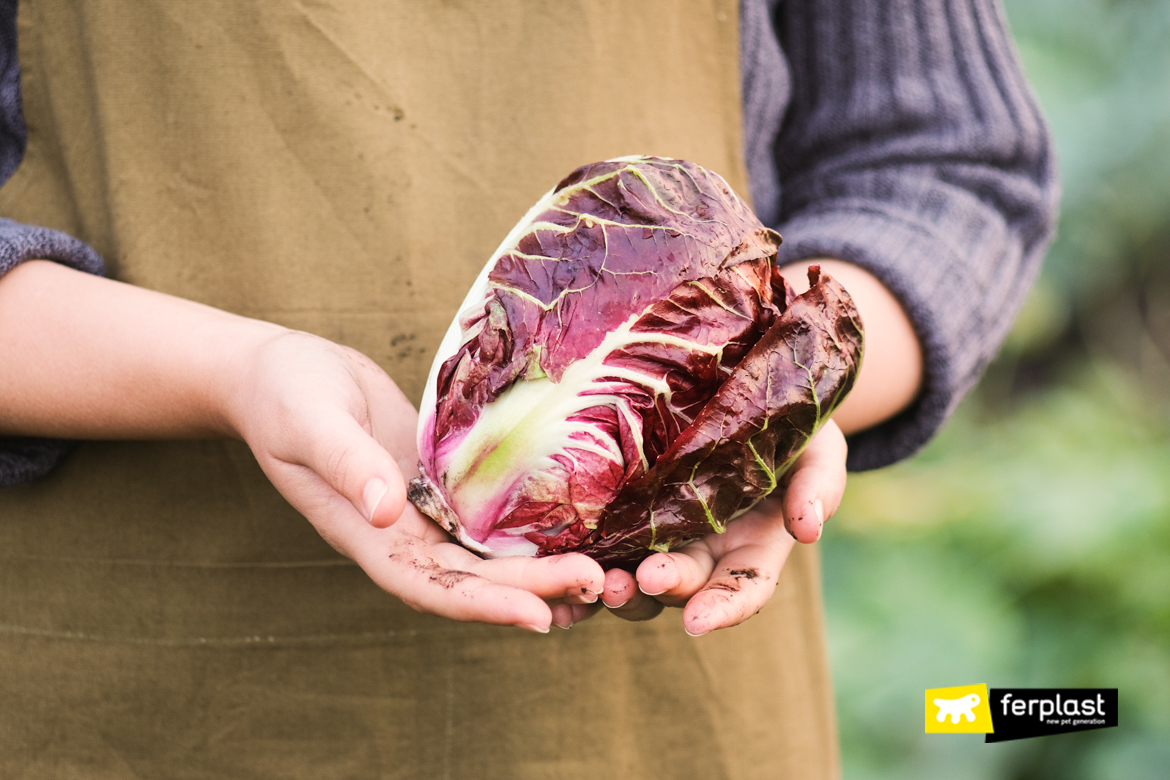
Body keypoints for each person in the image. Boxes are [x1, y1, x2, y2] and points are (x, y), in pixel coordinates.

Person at [0, 0, 1056, 776]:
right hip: (130, 691)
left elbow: (949, 166)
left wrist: (779, 403)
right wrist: (231, 373)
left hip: (666, 690)